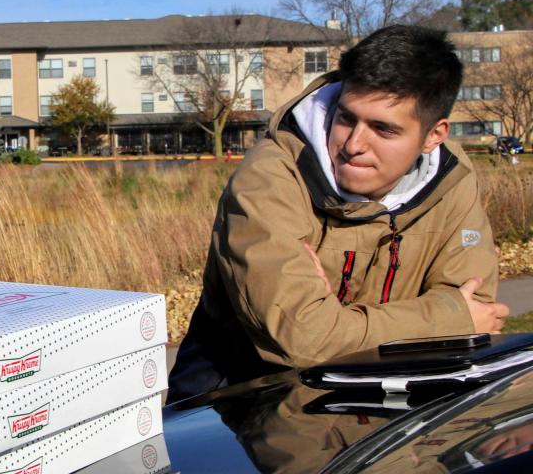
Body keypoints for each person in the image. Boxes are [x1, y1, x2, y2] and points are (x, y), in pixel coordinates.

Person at [167, 25, 510, 403]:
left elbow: (479, 307)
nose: (352, 144)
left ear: (434, 136)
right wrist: (447, 318)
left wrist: (340, 324)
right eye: (346, 117)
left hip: (385, 402)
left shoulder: (452, 179)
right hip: (242, 403)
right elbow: (304, 340)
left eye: (383, 129)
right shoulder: (269, 179)